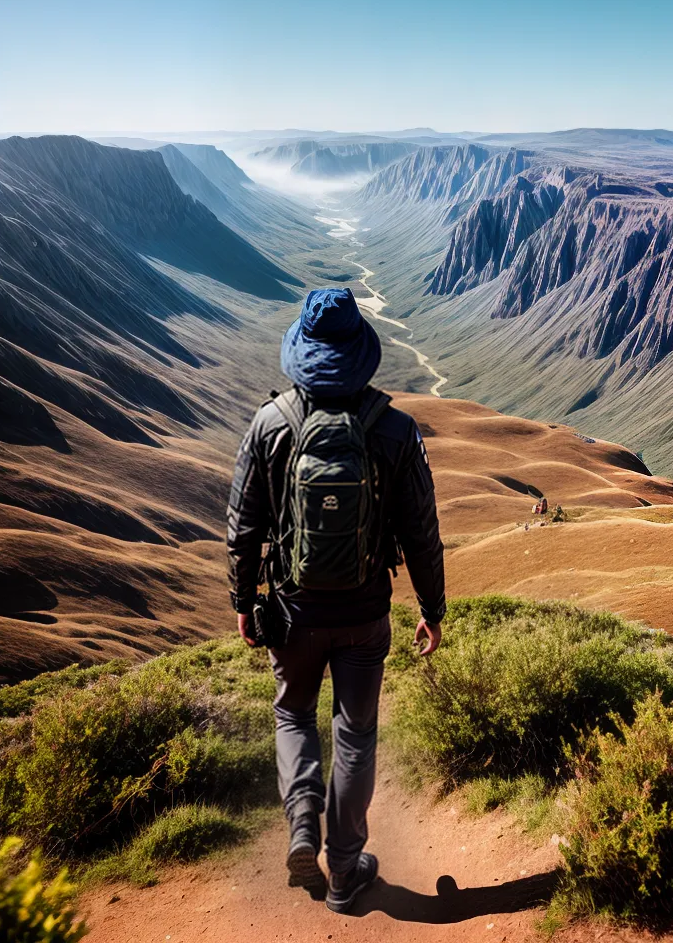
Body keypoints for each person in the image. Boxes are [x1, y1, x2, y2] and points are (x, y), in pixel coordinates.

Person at [226, 287, 445, 914]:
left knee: (293, 714)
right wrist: (432, 610)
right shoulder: (397, 431)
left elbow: (242, 526)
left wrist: (244, 598)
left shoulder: (270, 425)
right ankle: (345, 873)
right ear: (359, 355)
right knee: (355, 735)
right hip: (365, 615)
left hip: (293, 615)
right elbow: (421, 532)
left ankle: (302, 829)